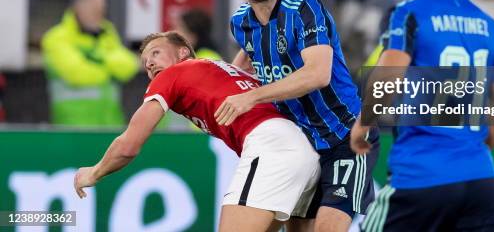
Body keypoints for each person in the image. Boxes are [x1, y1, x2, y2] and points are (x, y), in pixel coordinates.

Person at [350, 0, 494, 231]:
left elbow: (388, 77)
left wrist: (363, 124)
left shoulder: (408, 14)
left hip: (420, 178)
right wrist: (472, 151)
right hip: (480, 180)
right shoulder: (490, 25)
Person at [73, 31, 320, 232]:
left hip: (271, 148)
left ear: (182, 52)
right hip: (305, 151)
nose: (149, 63)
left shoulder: (173, 74)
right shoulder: (218, 69)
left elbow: (129, 145)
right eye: (146, 63)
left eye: (156, 53)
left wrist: (94, 173)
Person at [217, 0, 380, 232]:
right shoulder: (240, 22)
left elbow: (318, 75)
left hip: (346, 136)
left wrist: (251, 97)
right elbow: (245, 61)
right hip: (301, 145)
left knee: (327, 228)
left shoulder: (305, 8)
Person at [41, 0, 138, 126]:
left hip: (110, 125)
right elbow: (76, 74)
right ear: (79, 8)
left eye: (102, 9)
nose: (100, 14)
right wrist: (109, 68)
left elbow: (128, 66)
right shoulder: (56, 37)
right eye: (95, 10)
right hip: (73, 127)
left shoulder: (106, 31)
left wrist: (96, 59)